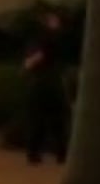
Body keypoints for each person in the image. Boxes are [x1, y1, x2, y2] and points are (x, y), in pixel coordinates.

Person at [23, 11, 70, 164]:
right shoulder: (45, 39)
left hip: (46, 81)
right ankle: (55, 153)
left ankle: (40, 153)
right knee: (49, 119)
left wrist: (31, 63)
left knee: (48, 119)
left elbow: (32, 60)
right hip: (45, 81)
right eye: (53, 20)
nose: (56, 23)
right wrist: (34, 61)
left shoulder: (50, 39)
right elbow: (34, 59)